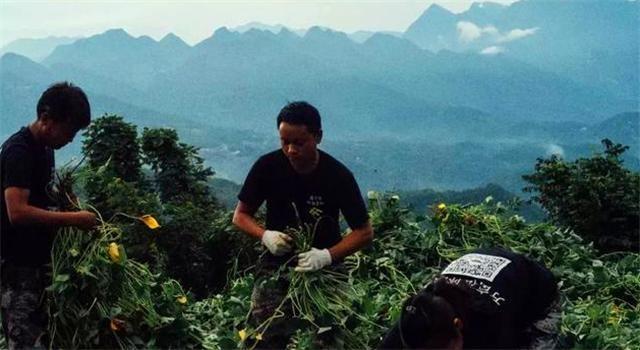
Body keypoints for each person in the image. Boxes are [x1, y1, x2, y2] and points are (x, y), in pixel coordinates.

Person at [232, 101, 373, 348]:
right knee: (266, 335)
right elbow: (240, 215)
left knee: (328, 335)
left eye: (299, 143)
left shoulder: (338, 176)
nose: (290, 150)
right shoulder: (267, 167)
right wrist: (265, 236)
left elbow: (364, 232)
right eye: (284, 142)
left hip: (327, 270)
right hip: (276, 266)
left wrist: (328, 256)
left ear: (317, 137)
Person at [1, 82, 97, 349]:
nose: (70, 139)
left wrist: (66, 205)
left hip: (39, 267)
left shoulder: (45, 150)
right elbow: (17, 212)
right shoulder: (19, 152)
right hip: (17, 268)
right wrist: (73, 220)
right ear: (46, 119)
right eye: (69, 130)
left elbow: (43, 197)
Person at [378, 247, 561, 349]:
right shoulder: (419, 313)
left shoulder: (491, 323)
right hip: (495, 269)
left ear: (458, 326)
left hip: (537, 296)